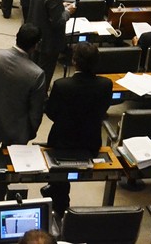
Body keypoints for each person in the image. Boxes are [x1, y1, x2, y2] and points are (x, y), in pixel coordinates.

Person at [0, 24, 46, 199]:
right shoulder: (37, 74)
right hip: (14, 131)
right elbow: (36, 111)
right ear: (36, 45)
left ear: (17, 36)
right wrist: (29, 132)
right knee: (4, 173)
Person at [42, 42, 113, 217]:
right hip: (90, 141)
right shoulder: (106, 84)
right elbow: (103, 109)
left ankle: (60, 202)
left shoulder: (61, 85)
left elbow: (51, 113)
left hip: (62, 142)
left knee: (60, 174)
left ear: (74, 61)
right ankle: (57, 191)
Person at [25, 0, 75, 88]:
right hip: (49, 41)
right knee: (44, 75)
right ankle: (40, 99)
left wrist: (59, 6)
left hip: (34, 32)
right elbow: (58, 21)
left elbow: (40, 4)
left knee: (32, 68)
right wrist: (68, 11)